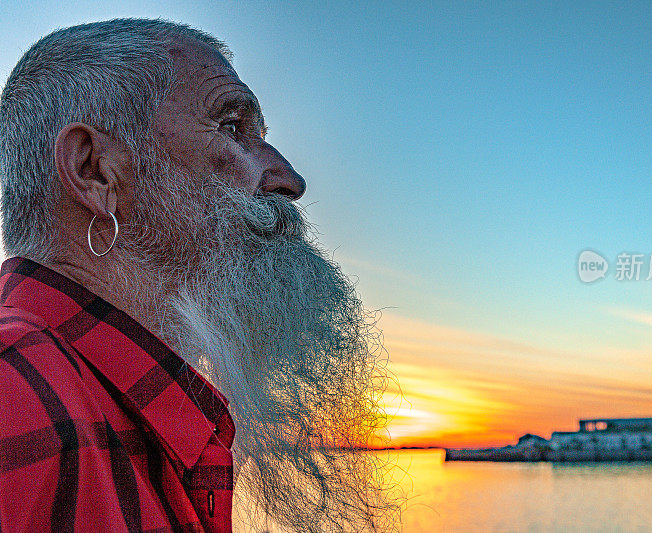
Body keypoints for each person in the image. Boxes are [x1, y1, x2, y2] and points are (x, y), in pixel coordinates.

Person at [0, 18, 390, 532]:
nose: (288, 179)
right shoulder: (15, 393)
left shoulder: (113, 403)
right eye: (232, 127)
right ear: (95, 171)